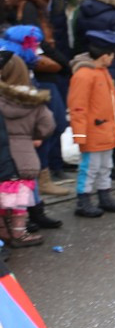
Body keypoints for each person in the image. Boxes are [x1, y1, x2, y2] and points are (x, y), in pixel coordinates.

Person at [5, 0, 72, 198]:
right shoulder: (30, 8)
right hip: (40, 76)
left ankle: (38, 181)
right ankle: (39, 178)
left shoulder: (22, 7)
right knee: (49, 126)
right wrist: (65, 63)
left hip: (37, 75)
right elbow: (37, 47)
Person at [68, 31, 115, 218]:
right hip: (93, 131)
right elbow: (78, 107)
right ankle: (83, 200)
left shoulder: (102, 72)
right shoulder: (85, 75)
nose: (113, 58)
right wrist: (79, 135)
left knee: (105, 165)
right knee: (90, 167)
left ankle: (104, 195)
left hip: (105, 130)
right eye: (111, 55)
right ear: (104, 56)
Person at [0, 52, 55, 247]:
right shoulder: (32, 99)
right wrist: (35, 136)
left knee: (3, 198)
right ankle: (19, 234)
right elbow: (47, 126)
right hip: (24, 155)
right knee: (18, 202)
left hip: (2, 155)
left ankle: (4, 232)